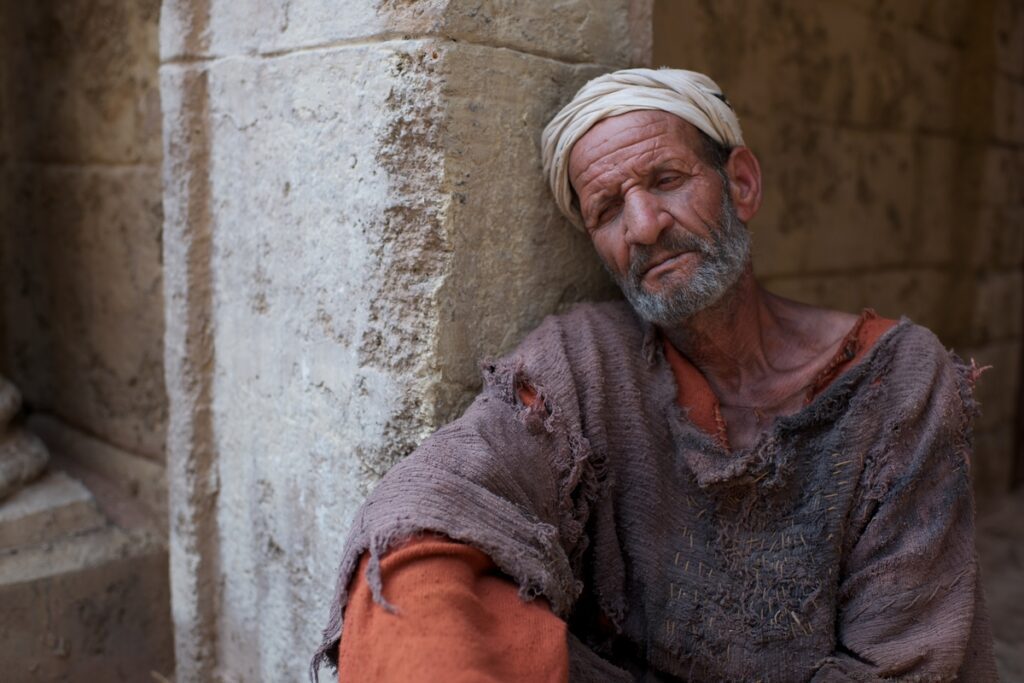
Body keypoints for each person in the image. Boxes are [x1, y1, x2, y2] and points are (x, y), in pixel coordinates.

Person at [312, 68, 996, 682]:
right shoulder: (585, 361)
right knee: (431, 584)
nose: (642, 227)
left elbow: (904, 654)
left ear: (742, 184)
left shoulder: (900, 376)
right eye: (607, 210)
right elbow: (442, 492)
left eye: (667, 180)